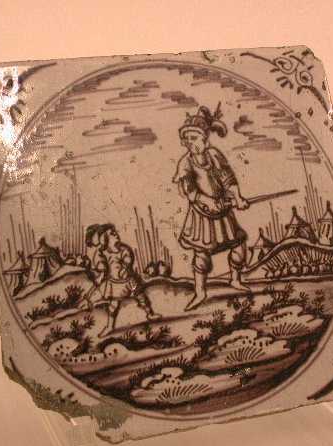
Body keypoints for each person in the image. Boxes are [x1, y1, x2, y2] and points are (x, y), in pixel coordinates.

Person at [173, 104, 250, 311]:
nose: (191, 143)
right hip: (201, 216)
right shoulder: (185, 163)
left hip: (224, 212)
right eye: (187, 139)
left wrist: (238, 198)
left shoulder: (214, 155)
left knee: (239, 247)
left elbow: (228, 179)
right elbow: (190, 192)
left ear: (205, 139)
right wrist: (208, 201)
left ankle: (235, 279)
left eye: (194, 138)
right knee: (202, 257)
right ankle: (200, 292)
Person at [84, 223, 160, 337]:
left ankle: (150, 314)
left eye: (115, 231)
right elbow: (101, 266)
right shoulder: (102, 253)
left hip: (129, 280)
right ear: (104, 238)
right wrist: (101, 271)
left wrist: (125, 265)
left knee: (140, 296)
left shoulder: (123, 249)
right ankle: (109, 326)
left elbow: (128, 259)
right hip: (115, 284)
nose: (115, 234)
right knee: (113, 305)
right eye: (111, 233)